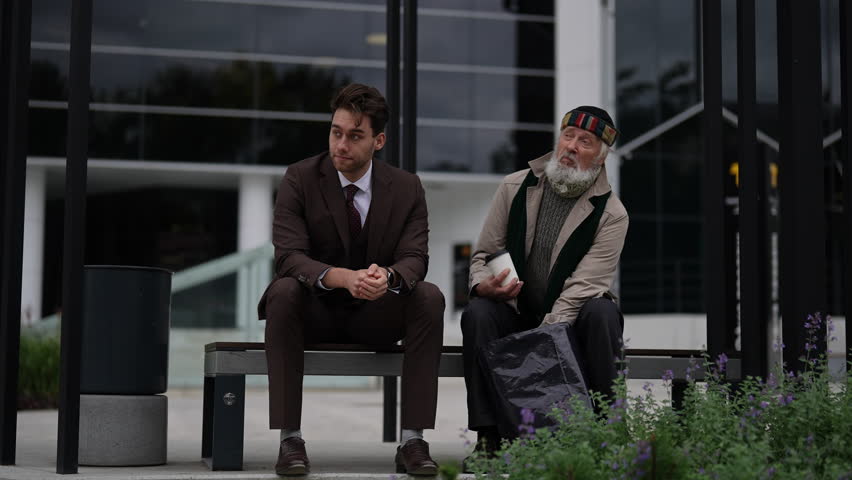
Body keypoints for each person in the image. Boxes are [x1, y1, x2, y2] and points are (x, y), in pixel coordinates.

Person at [258, 83, 445, 476]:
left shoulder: (407, 187)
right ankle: (290, 440)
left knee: (428, 296)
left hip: (376, 316)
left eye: (355, 136)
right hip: (314, 313)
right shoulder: (299, 178)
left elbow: (415, 258)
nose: (341, 145)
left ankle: (412, 440)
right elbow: (288, 256)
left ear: (378, 141)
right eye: (336, 132)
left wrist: (388, 276)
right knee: (282, 290)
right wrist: (342, 278)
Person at [461, 106, 628, 466]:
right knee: (478, 313)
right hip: (515, 311)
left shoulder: (612, 214)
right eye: (568, 135)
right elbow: (483, 256)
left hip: (570, 322)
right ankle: (489, 439)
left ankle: (609, 436)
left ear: (601, 157)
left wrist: (542, 336)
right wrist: (485, 286)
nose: (571, 146)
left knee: (602, 312)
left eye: (585, 141)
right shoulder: (514, 186)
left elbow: (586, 286)